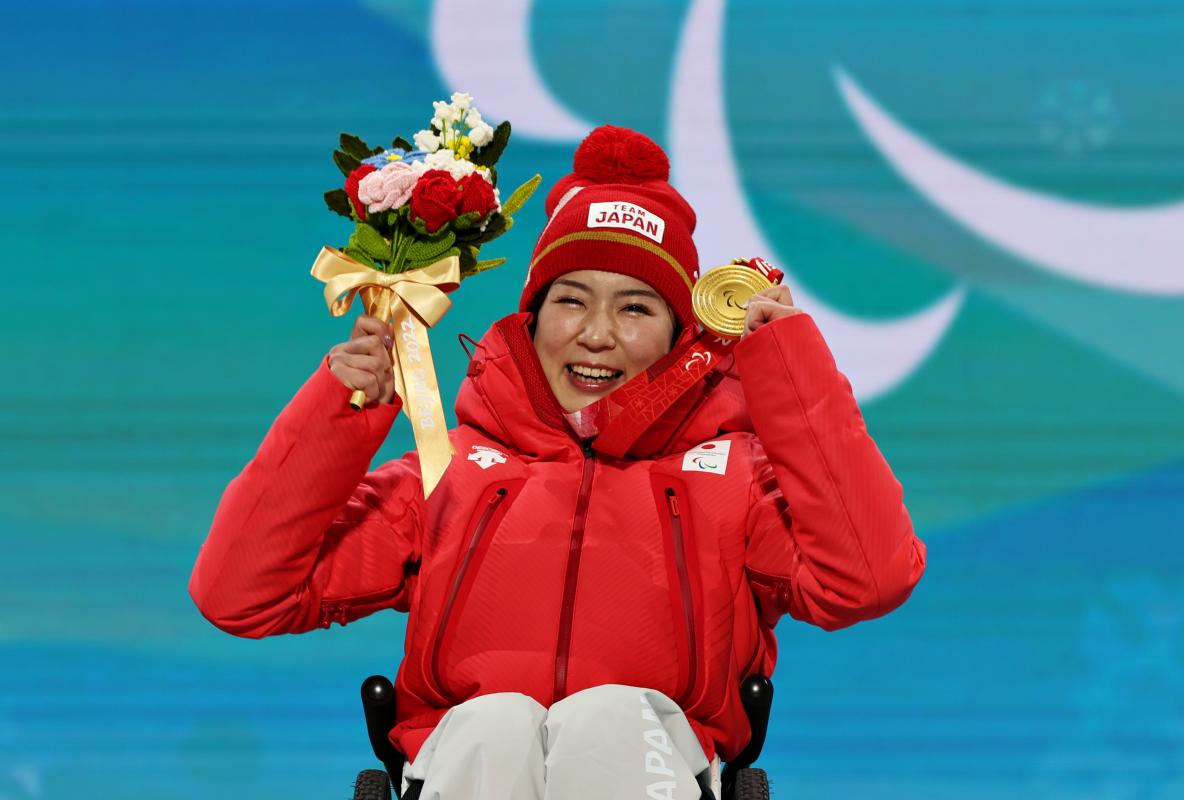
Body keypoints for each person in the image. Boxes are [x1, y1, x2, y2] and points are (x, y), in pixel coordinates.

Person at [189, 125, 926, 799]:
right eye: (572, 300)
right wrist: (337, 412)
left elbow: (868, 576)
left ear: (680, 335)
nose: (597, 335)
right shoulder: (451, 471)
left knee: (609, 718)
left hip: (655, 765)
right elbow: (239, 594)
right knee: (495, 724)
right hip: (466, 764)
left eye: (636, 309)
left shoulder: (728, 478)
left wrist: (786, 364)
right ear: (532, 316)